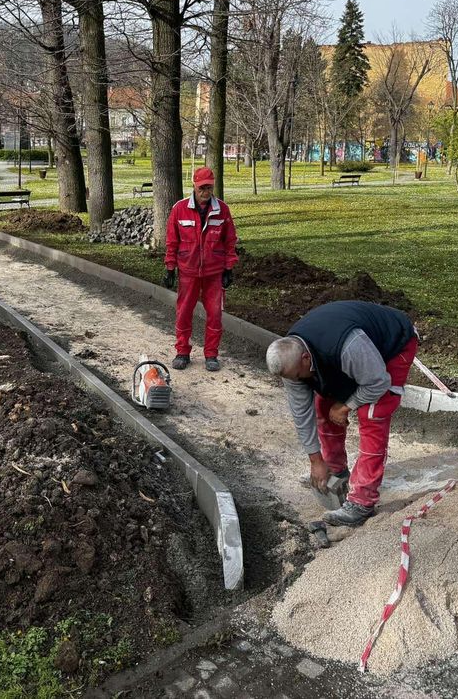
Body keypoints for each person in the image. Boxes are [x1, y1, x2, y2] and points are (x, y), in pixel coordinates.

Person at [266, 300, 418, 527]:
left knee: (372, 413)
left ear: (306, 359)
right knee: (324, 408)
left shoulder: (348, 345)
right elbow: (301, 413)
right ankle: (335, 471)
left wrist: (346, 406)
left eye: (298, 375)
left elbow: (377, 382)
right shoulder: (290, 361)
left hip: (393, 346)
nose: (296, 382)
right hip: (349, 357)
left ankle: (362, 502)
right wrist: (315, 461)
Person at [163, 166, 238, 372]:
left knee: (214, 314)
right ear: (194, 187)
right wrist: (170, 268)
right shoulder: (179, 209)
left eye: (209, 188)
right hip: (188, 272)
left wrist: (228, 268)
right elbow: (172, 240)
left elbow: (229, 240)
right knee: (184, 312)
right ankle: (182, 351)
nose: (206, 192)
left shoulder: (222, 210)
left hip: (214, 273)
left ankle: (211, 354)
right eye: (202, 188)